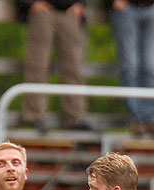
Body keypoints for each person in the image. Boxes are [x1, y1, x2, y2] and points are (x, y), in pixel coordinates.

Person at [18, 0, 97, 133]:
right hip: (42, 12)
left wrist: (81, 4)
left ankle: (75, 116)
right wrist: (30, 4)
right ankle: (33, 115)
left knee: (74, 68)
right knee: (37, 66)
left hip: (70, 12)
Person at [106, 0, 154, 138]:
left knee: (149, 66)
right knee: (130, 66)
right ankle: (136, 118)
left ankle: (151, 118)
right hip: (126, 9)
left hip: (150, 8)